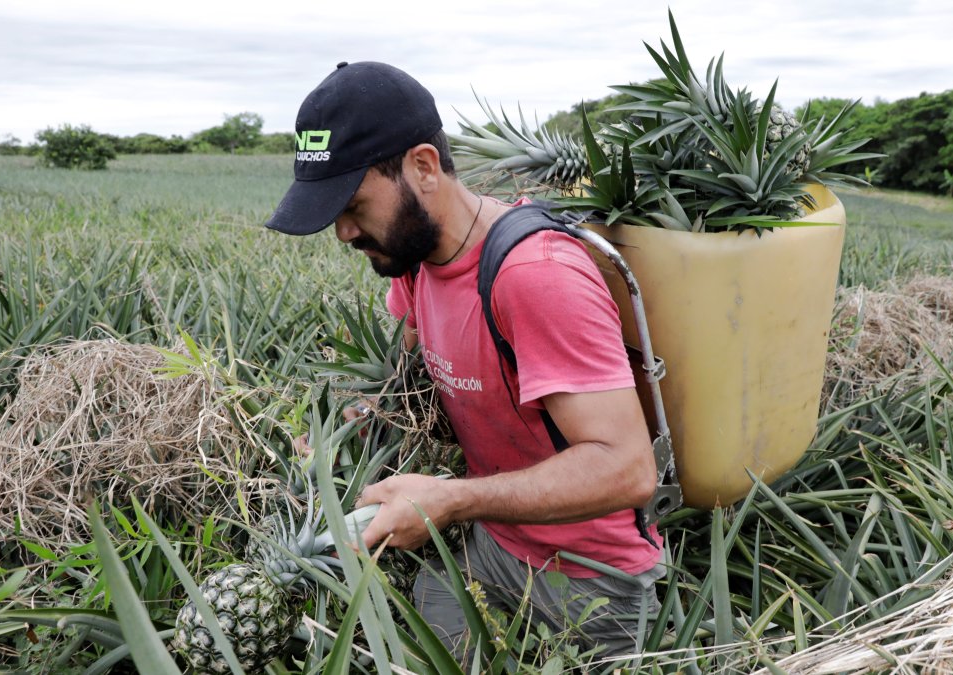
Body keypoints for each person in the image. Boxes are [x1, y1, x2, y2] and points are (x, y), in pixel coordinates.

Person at [266, 61, 663, 662]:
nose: (344, 232)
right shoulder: (415, 258)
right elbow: (408, 389)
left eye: (352, 203)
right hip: (488, 544)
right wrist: (350, 426)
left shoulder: (536, 277)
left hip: (590, 576)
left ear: (423, 167)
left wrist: (451, 499)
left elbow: (628, 470)